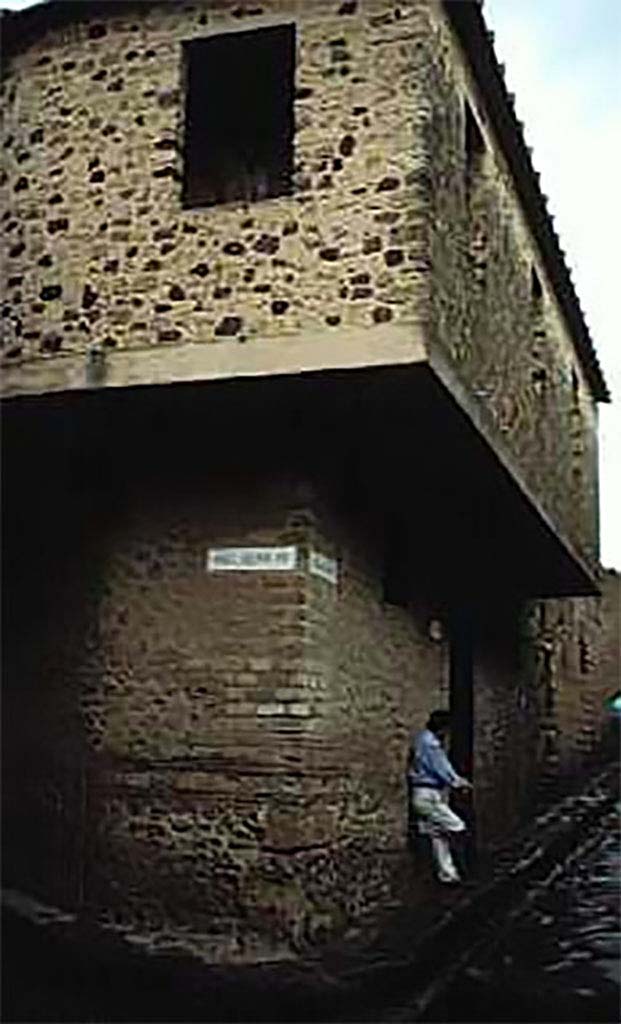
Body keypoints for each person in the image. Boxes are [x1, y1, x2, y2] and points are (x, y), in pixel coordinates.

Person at [408, 709, 472, 884]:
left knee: (438, 835)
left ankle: (448, 875)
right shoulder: (430, 745)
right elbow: (440, 768)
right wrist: (458, 782)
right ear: (442, 728)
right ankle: (465, 867)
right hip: (428, 794)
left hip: (423, 793)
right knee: (457, 827)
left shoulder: (422, 740)